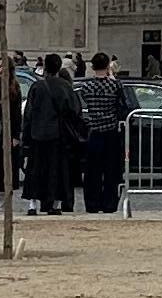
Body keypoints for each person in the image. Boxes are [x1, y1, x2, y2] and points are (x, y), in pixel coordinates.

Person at [22, 51, 85, 212]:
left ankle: (33, 204)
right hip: (58, 135)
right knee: (56, 170)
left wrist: (27, 135)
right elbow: (74, 111)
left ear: (44, 67)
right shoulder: (65, 87)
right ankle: (55, 203)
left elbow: (29, 113)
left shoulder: (36, 86)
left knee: (35, 170)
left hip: (38, 134)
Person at [79, 51, 132, 215]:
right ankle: (109, 203)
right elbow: (124, 103)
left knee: (92, 171)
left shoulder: (87, 87)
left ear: (93, 66)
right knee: (111, 171)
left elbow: (86, 100)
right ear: (107, 66)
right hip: (111, 131)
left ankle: (92, 203)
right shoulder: (115, 85)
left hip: (94, 131)